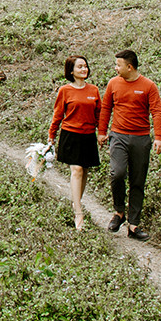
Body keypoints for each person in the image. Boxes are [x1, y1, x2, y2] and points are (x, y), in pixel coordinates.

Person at [98, 49, 161, 241]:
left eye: (118, 65)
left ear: (129, 66)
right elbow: (106, 108)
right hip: (118, 136)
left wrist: (158, 137)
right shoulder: (113, 83)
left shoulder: (148, 86)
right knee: (116, 173)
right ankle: (119, 212)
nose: (115, 68)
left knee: (137, 181)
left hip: (141, 139)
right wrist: (102, 132)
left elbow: (157, 112)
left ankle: (133, 225)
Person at [49, 55, 101, 230]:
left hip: (88, 136)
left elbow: (99, 114)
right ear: (71, 71)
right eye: (79, 67)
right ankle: (79, 212)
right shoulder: (65, 90)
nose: (83, 69)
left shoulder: (94, 90)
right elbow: (58, 114)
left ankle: (76, 202)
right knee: (77, 169)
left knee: (84, 171)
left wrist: (101, 133)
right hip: (71, 134)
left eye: (85, 66)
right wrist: (52, 135)